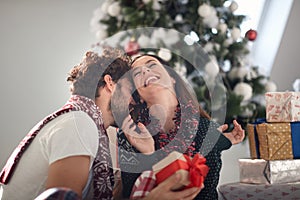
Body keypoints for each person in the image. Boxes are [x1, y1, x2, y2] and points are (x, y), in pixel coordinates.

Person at [0, 48, 202, 200]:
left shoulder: (83, 123)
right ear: (111, 83)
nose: (134, 102)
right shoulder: (79, 124)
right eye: (131, 91)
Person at [113, 54, 245, 200]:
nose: (144, 71)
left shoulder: (206, 129)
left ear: (172, 78)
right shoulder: (130, 133)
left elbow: (205, 194)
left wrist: (220, 142)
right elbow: (131, 194)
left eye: (151, 65)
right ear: (138, 95)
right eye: (137, 73)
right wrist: (149, 155)